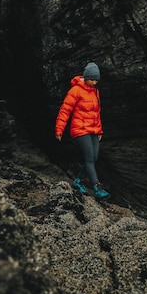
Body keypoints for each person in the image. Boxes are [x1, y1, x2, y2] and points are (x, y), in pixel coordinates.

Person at [55, 62, 110, 200]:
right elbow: (65, 110)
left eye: (96, 80)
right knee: (89, 158)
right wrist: (59, 129)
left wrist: (99, 130)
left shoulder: (95, 91)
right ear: (86, 78)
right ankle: (97, 187)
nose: (95, 82)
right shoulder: (75, 91)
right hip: (80, 129)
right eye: (92, 79)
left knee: (94, 157)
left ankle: (78, 181)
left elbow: (97, 112)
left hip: (93, 130)